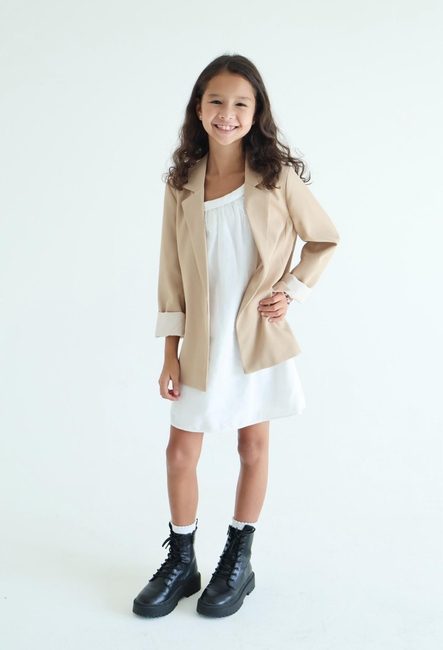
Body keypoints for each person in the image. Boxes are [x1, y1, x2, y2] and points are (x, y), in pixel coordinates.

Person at [132, 53, 340, 619]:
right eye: (217, 101)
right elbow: (171, 274)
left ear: (256, 112)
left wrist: (291, 291)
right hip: (200, 342)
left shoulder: (276, 177)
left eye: (241, 103)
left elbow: (324, 239)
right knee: (181, 452)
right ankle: (182, 562)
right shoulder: (181, 184)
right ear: (199, 109)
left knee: (253, 447)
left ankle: (238, 561)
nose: (228, 113)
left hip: (256, 338)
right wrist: (169, 353)